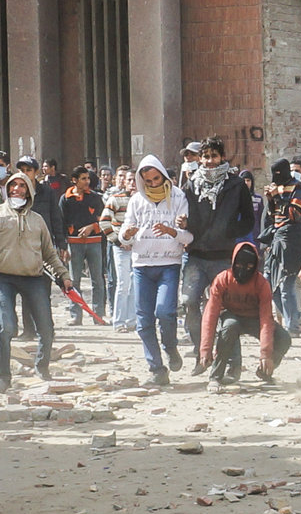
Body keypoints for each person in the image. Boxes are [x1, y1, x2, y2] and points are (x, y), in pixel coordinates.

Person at [0, 171, 72, 391]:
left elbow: (49, 254)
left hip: (33, 278)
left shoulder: (37, 220)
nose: (16, 189)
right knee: (7, 327)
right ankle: (4, 377)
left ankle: (42, 368)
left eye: (22, 186)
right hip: (3, 278)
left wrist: (64, 276)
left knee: (46, 328)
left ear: (29, 191)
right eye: (13, 185)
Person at [181, 138, 257, 352]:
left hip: (223, 256)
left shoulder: (235, 184)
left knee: (228, 309)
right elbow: (185, 217)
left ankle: (231, 360)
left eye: (214, 156)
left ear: (222, 157)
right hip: (196, 255)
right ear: (200, 158)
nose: (210, 161)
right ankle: (201, 351)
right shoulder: (191, 185)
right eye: (206, 156)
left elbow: (249, 219)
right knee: (189, 301)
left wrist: (229, 231)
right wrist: (185, 224)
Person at [121, 155, 190, 384]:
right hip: (142, 264)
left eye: (156, 179)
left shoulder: (178, 197)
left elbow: (188, 235)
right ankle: (156, 369)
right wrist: (127, 234)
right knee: (144, 320)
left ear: (163, 175)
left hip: (169, 263)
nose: (153, 184)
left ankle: (170, 347)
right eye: (147, 181)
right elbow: (124, 234)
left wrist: (173, 231)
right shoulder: (136, 201)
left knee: (165, 312)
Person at [197, 240, 281, 385]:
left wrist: (265, 354)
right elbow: (210, 315)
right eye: (239, 266)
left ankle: (264, 371)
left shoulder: (261, 284)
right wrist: (205, 349)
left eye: (249, 267)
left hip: (254, 319)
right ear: (233, 263)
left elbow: (266, 319)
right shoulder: (222, 280)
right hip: (231, 315)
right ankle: (216, 376)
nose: (243, 271)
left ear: (255, 266)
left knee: (283, 338)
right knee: (230, 326)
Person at [260, 158, 301, 340]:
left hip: (291, 240)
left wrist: (276, 196)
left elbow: (295, 215)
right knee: (269, 286)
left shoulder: (298, 188)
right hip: (276, 239)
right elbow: (273, 215)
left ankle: (292, 327)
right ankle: (295, 318)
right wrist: (270, 199)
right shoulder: (278, 187)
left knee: (287, 285)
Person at [60, 165, 109, 323]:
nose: (87, 181)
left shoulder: (95, 197)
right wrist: (64, 246)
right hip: (74, 244)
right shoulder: (65, 199)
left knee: (98, 280)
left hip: (95, 242)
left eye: (88, 178)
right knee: (74, 281)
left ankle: (98, 315)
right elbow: (61, 223)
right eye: (83, 178)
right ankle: (76, 315)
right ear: (74, 180)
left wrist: (92, 227)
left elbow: (104, 218)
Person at [102, 166, 138, 329]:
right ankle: (119, 321)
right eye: (129, 180)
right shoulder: (115, 199)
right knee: (123, 284)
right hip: (121, 248)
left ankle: (132, 320)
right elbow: (104, 222)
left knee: (135, 283)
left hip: (138, 248)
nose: (132, 183)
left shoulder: (143, 201)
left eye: (135, 180)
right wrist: (118, 242)